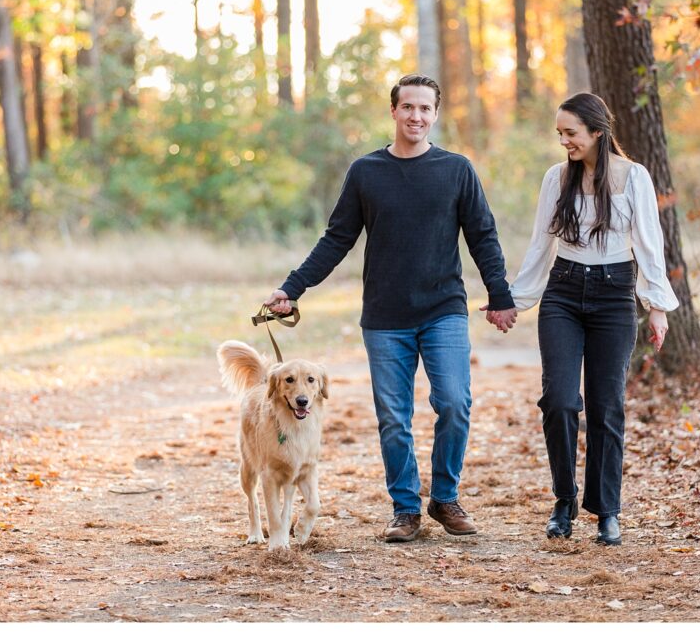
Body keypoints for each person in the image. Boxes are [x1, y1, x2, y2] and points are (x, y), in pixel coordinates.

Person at [264, 74, 519, 543]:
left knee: (454, 404)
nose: (416, 116)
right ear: (394, 111)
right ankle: (405, 509)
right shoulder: (366, 172)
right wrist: (293, 287)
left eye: (425, 109)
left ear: (435, 114)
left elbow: (483, 235)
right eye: (408, 108)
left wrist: (499, 295)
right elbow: (337, 238)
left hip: (444, 309)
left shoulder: (456, 170)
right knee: (393, 418)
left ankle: (444, 498)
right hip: (384, 318)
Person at [509, 92, 678, 546]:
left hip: (614, 296)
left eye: (571, 133)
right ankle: (564, 499)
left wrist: (656, 306)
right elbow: (539, 245)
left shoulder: (633, 177)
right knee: (560, 401)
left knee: (606, 407)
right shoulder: (556, 178)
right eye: (559, 134)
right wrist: (516, 299)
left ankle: (607, 510)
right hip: (562, 293)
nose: (564, 141)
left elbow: (649, 244)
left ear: (597, 132)